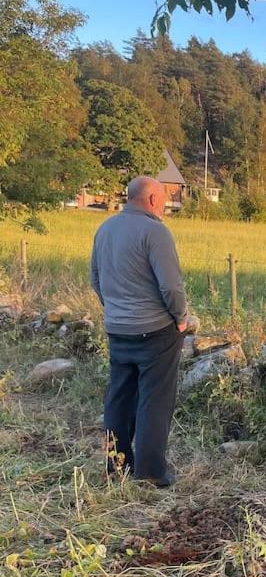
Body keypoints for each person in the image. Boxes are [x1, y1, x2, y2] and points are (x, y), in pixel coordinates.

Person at [90, 176, 188, 487]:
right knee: (154, 400)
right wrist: (181, 317)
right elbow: (171, 286)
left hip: (117, 329)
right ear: (153, 200)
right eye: (163, 200)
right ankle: (150, 472)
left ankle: (117, 467)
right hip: (155, 330)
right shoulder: (155, 231)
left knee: (119, 398)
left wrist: (114, 309)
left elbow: (95, 278)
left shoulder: (105, 228)